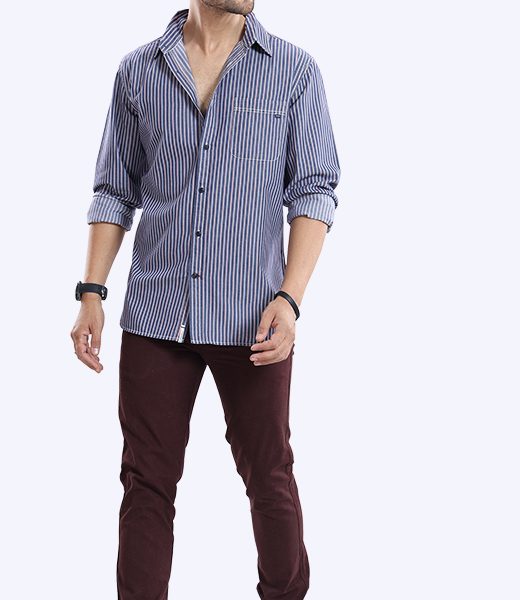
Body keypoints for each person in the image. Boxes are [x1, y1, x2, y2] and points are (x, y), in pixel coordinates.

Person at [70, 1, 340, 598]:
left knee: (269, 474)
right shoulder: (138, 71)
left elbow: (315, 189)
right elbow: (114, 190)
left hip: (253, 318)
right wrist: (91, 292)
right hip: (156, 313)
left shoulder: (294, 71)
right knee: (145, 483)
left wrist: (290, 299)